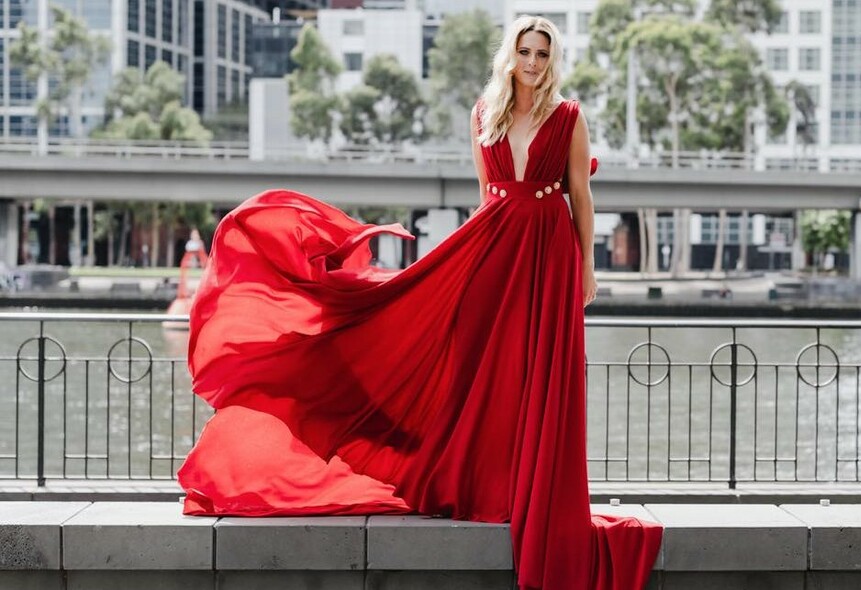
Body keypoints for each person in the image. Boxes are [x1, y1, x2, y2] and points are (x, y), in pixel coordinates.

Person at [178, 15, 662, 590]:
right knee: (488, 371)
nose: (533, 62)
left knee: (541, 376)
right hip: (494, 253)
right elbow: (486, 198)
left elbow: (581, 195)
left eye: (542, 53)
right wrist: (464, 270)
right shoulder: (486, 115)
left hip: (552, 255)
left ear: (552, 60)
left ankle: (530, 486)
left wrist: (587, 267)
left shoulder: (570, 117)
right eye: (525, 51)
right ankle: (484, 481)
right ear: (510, 56)